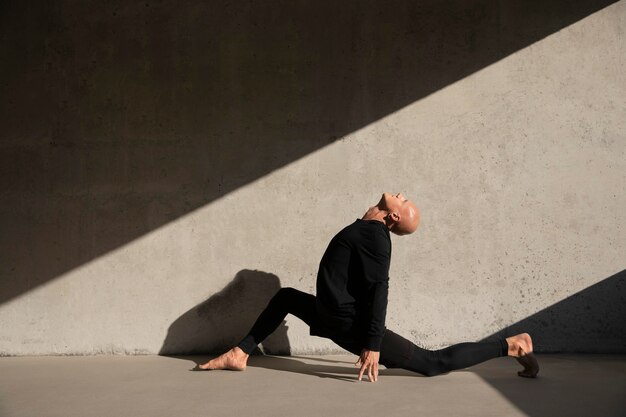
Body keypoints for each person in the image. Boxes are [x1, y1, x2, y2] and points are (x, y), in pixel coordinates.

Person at [199, 192, 539, 382]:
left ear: (393, 218)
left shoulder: (376, 238)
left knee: (433, 363)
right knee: (286, 296)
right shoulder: (367, 226)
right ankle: (240, 353)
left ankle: (511, 346)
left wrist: (373, 344)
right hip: (330, 313)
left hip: (351, 324)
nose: (402, 196)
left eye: (404, 203)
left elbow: (380, 290)